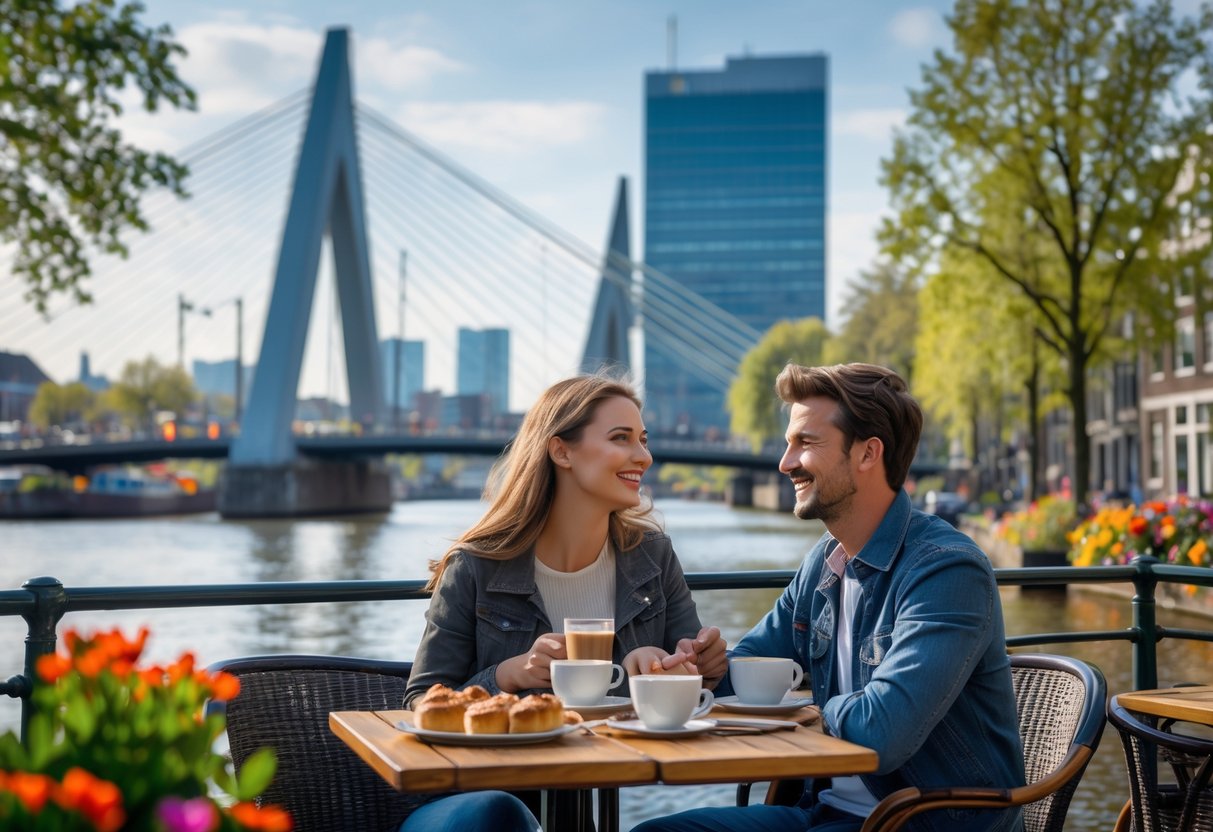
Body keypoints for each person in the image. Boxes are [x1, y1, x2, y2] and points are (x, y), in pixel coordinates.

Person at [634, 363, 1025, 832]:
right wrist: (708, 666)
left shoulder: (946, 569)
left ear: (868, 453)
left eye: (806, 442)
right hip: (825, 812)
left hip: (919, 822)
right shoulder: (825, 561)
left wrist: (810, 706)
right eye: (788, 443)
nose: (785, 462)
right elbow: (753, 670)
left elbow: (883, 734)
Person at [405, 372, 727, 706]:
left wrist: (704, 664)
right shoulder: (474, 567)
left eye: (643, 440)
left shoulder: (654, 557)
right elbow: (420, 701)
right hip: (520, 758)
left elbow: (692, 677)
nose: (645, 457)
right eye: (621, 438)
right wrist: (506, 676)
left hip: (631, 757)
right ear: (561, 452)